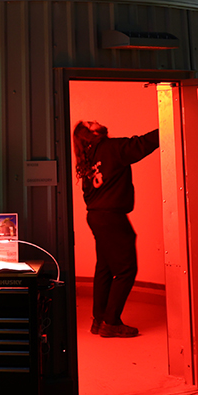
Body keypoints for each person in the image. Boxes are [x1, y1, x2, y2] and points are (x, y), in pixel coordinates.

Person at [73, 119, 159, 338]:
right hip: (111, 218)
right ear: (90, 133)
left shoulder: (88, 158)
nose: (95, 121)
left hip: (96, 216)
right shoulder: (110, 148)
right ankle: (111, 322)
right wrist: (168, 129)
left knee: (104, 268)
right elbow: (141, 144)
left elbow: (88, 193)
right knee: (126, 270)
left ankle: (99, 320)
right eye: (90, 123)